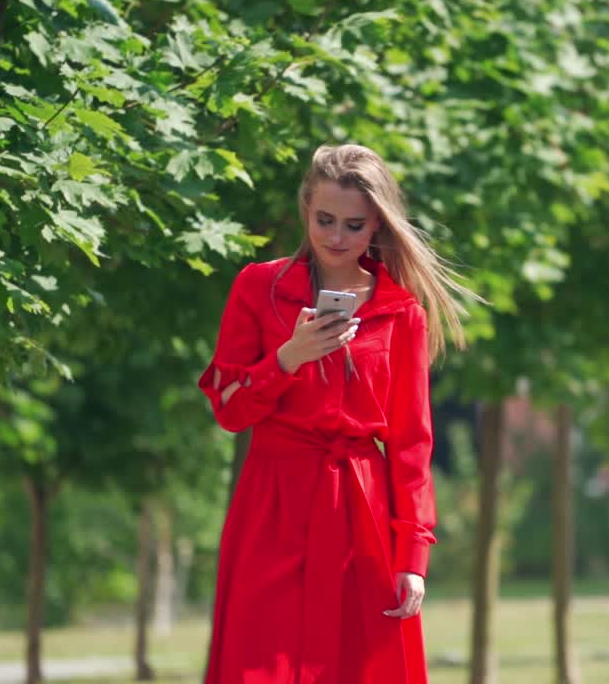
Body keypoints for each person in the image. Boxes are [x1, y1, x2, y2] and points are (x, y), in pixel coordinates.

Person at [197, 144, 478, 684]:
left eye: (353, 224)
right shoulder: (259, 287)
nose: (336, 236)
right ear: (306, 210)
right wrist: (286, 359)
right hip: (272, 503)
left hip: (360, 511)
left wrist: (412, 556)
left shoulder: (402, 314)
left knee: (354, 666)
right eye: (325, 219)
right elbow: (230, 412)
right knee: (261, 665)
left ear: (377, 224)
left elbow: (411, 444)